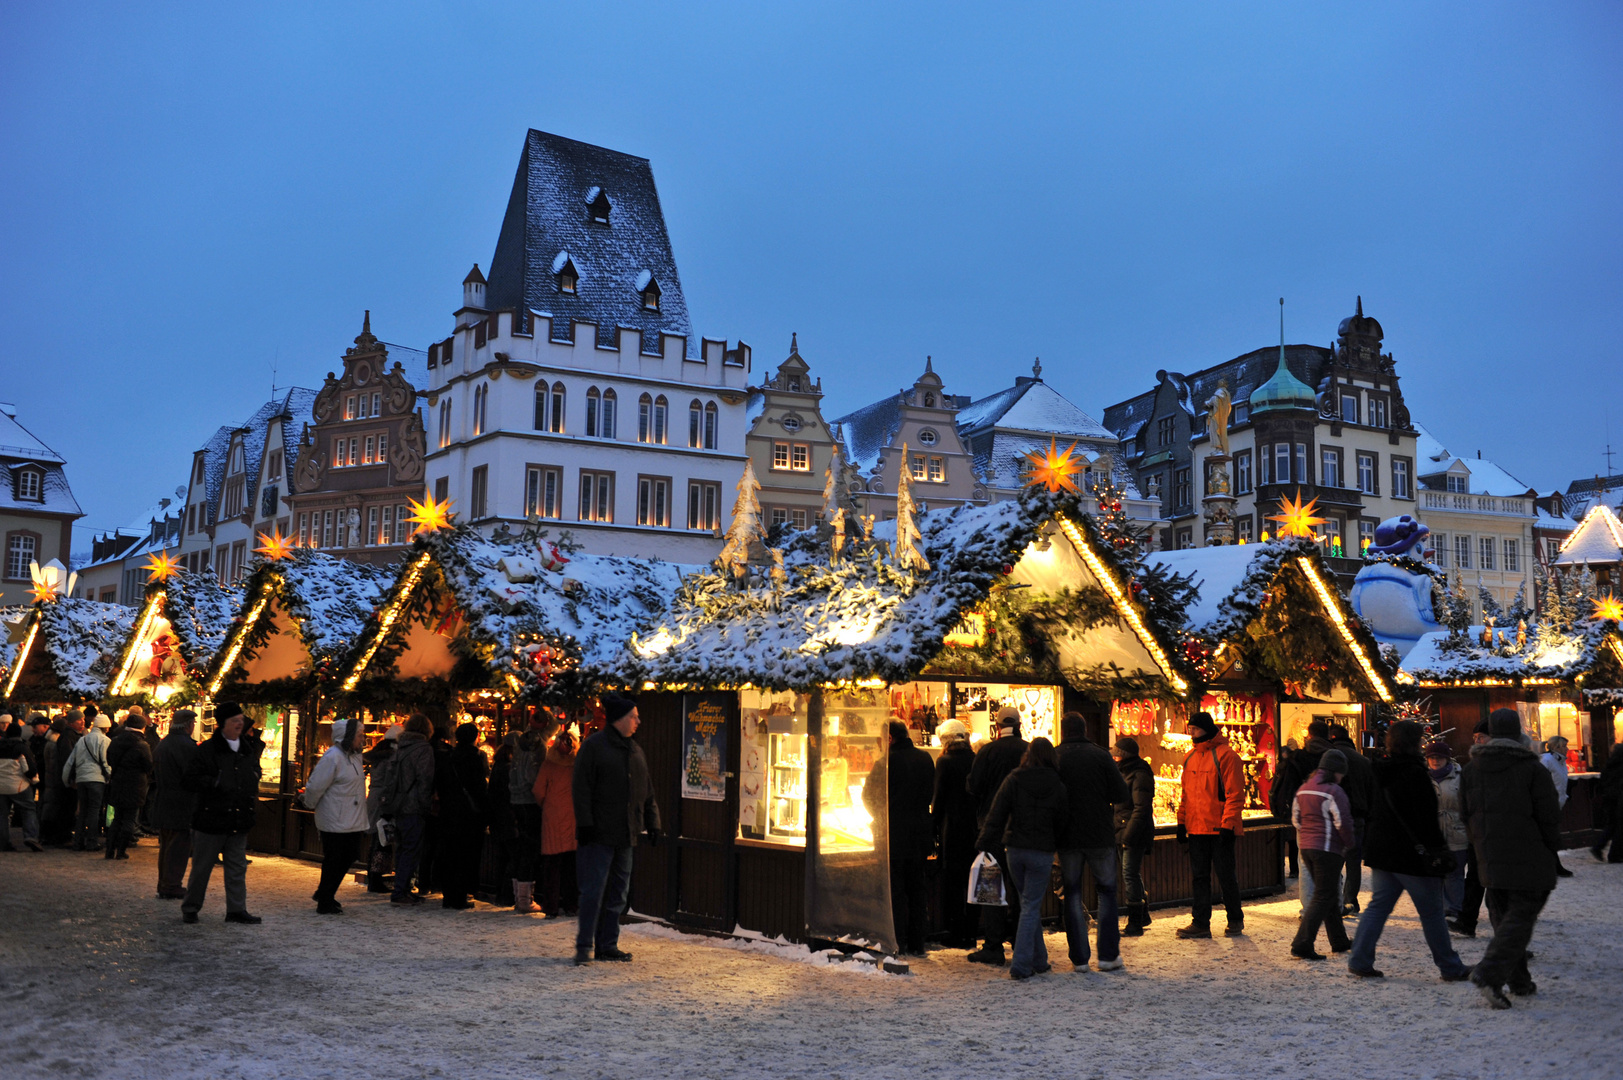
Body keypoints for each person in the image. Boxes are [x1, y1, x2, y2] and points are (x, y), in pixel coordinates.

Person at [1346, 720, 1472, 981]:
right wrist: (1438, 849)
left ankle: (1359, 959)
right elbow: (1425, 819)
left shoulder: (1377, 770)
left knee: (1377, 907)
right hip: (1413, 856)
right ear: (1415, 743)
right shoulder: (1415, 774)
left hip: (1382, 852)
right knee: (1432, 912)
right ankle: (1450, 966)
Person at [1461, 708, 1562, 1009]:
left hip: (1488, 853)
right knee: (1521, 915)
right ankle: (1490, 972)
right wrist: (1551, 848)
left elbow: (1465, 814)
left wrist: (1480, 842)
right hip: (1528, 852)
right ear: (1518, 732)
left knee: (1504, 917)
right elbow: (1549, 815)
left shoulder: (1471, 768)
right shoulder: (1531, 768)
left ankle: (1519, 981)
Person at [572, 694, 661, 965]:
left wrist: (653, 822)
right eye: (633, 716)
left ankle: (607, 944)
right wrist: (585, 823)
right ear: (620, 719)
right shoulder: (594, 747)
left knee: (618, 893)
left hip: (626, 833)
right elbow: (581, 788)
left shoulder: (634, 750)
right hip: (599, 832)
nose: (638, 721)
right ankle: (585, 945)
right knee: (594, 891)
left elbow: (646, 790)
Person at [975, 737, 1068, 980]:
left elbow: (997, 813)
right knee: (1030, 904)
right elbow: (1062, 820)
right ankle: (1022, 965)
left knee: (1029, 903)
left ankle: (1039, 959)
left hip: (1014, 849)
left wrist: (984, 841)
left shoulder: (1014, 778)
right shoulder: (1057, 783)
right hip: (1042, 852)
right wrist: (1056, 843)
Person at [1055, 712, 1128, 971]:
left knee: (1072, 893)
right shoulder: (1100, 755)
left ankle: (1080, 959)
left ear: (1063, 731)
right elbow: (1121, 792)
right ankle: (1108, 956)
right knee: (1107, 892)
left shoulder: (1055, 756)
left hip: (1068, 835)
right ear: (1085, 729)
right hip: (1099, 833)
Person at [181, 703, 264, 925]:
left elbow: (254, 770)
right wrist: (215, 782)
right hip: (211, 818)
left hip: (238, 818)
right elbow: (190, 779)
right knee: (202, 868)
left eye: (240, 719)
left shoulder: (247, 749)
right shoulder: (207, 750)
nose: (239, 724)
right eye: (234, 720)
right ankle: (191, 907)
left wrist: (255, 776)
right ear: (222, 725)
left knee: (237, 867)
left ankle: (236, 909)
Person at [863, 720, 936, 957]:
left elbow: (868, 796)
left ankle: (898, 940)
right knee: (917, 888)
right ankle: (918, 941)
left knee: (895, 890)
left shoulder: (886, 763)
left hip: (893, 834)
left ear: (890, 738)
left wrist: (882, 817)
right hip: (920, 833)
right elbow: (931, 793)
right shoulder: (925, 759)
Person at [965, 707, 1028, 964]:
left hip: (991, 828)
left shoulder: (988, 751)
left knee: (991, 887)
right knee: (1019, 888)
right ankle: (1020, 939)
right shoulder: (1028, 749)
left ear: (997, 724)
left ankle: (993, 945)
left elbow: (973, 786)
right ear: (1019, 723)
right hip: (1022, 829)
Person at [1175, 711, 1246, 939]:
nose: (1191, 732)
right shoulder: (1189, 757)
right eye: (1190, 728)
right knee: (1199, 877)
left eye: (1194, 728)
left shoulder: (1226, 756)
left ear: (1205, 728)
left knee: (1226, 876)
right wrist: (1181, 821)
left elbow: (1235, 794)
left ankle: (1235, 920)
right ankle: (1200, 923)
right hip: (1196, 828)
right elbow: (1185, 794)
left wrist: (1228, 824)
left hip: (1218, 827)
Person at [1290, 749, 1354, 959]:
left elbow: (1296, 820)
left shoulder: (1304, 789)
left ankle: (1339, 941)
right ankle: (1302, 943)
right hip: (1328, 848)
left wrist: (1307, 837)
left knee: (1328, 894)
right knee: (1323, 896)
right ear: (1336, 771)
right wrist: (1348, 844)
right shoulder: (1334, 791)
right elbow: (1343, 822)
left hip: (1307, 847)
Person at [303, 717, 370, 914]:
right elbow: (315, 786)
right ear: (348, 736)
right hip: (335, 818)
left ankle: (325, 893)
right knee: (334, 859)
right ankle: (325, 899)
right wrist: (309, 803)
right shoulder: (332, 757)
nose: (362, 738)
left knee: (348, 856)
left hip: (352, 818)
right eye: (359, 735)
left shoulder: (355, 756)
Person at [931, 719, 979, 949]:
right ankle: (972, 931)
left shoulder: (944, 762)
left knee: (953, 883)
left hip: (952, 830)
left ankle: (956, 931)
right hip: (974, 829)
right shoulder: (975, 760)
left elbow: (938, 800)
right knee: (973, 882)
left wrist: (933, 827)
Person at [380, 714, 435, 906]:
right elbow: (425, 779)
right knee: (411, 849)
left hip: (398, 804)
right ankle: (400, 892)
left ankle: (401, 889)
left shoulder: (400, 748)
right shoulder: (423, 749)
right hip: (413, 806)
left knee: (403, 849)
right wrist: (426, 804)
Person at [1449, 718, 1495, 937]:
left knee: (1496, 884)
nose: (1477, 741)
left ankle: (1508, 935)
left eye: (1481, 737)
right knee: (1474, 878)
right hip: (1477, 833)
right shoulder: (1472, 767)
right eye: (1475, 738)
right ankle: (1467, 921)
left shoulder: (1496, 765)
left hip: (1495, 832)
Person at [436, 722, 489, 910]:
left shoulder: (448, 757)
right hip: (469, 814)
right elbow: (479, 788)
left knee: (450, 855)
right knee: (466, 856)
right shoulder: (475, 758)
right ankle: (460, 895)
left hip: (449, 812)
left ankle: (449, 895)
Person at [508, 711, 553, 913]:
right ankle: (525, 900)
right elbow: (534, 775)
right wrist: (541, 795)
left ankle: (519, 896)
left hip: (516, 798)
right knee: (530, 849)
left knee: (521, 847)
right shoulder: (539, 745)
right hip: (529, 800)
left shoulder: (520, 740)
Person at [151, 709, 199, 899]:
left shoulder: (164, 744)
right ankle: (171, 885)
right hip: (181, 803)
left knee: (167, 846)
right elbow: (191, 776)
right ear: (188, 725)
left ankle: (164, 883)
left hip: (164, 801)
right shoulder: (186, 747)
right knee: (178, 847)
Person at [1328, 723, 1374, 915]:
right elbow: (1371, 791)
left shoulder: (1331, 758)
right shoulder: (1363, 761)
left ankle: (1334, 901)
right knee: (1353, 862)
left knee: (1334, 861)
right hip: (1358, 816)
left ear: (1332, 738)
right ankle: (1350, 900)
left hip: (1334, 816)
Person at [533, 728, 578, 918]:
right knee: (571, 866)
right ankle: (571, 906)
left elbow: (538, 791)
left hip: (552, 818)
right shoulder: (576, 766)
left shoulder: (548, 765)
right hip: (573, 817)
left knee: (552, 866)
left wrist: (546, 805)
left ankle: (551, 907)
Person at [1113, 737, 1155, 936]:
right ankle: (1142, 915)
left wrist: (1128, 834)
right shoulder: (1126, 772)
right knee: (1131, 873)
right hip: (1124, 829)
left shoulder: (1139, 774)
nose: (1114, 756)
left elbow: (1141, 808)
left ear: (1123, 755)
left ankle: (1135, 922)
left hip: (1133, 831)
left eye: (1117, 753)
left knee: (1129, 874)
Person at [1426, 739, 1470, 920]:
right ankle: (1439, 906)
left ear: (1447, 759)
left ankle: (1454, 907)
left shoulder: (1460, 776)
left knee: (1455, 872)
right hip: (1433, 833)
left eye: (1440, 757)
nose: (1436, 761)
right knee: (1435, 873)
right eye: (1432, 757)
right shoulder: (1423, 777)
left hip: (1456, 830)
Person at [104, 710, 154, 859]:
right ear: (142, 727)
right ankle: (121, 851)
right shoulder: (142, 744)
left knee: (117, 818)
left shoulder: (116, 741)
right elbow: (148, 765)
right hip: (135, 785)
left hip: (118, 783)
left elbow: (109, 760)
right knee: (129, 819)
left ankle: (109, 850)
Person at [63, 713, 113, 852]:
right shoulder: (105, 741)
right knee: (94, 811)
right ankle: (92, 842)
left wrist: (66, 780)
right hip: (97, 780)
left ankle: (78, 842)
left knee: (82, 811)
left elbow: (70, 762)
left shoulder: (82, 740)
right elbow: (105, 761)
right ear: (106, 727)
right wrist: (109, 776)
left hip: (81, 779)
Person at [363, 724, 401, 892]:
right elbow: (390, 781)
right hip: (383, 800)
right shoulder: (391, 757)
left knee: (377, 839)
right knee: (383, 840)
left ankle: (373, 876)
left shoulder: (378, 755)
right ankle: (376, 878)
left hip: (374, 797)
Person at [488, 734, 518, 908]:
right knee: (512, 857)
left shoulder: (498, 766)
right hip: (508, 818)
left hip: (498, 819)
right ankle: (506, 894)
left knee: (502, 857)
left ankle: (500, 893)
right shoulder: (508, 769)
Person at [41, 712, 81, 846]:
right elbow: (64, 761)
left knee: (54, 808)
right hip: (58, 780)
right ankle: (58, 836)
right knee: (61, 809)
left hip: (53, 780)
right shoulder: (61, 741)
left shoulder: (53, 741)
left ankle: (49, 835)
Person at [0, 725, 42, 851]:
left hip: (0, 786)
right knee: (28, 810)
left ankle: (3, 842)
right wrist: (33, 779)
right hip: (19, 785)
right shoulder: (22, 748)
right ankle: (31, 836)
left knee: (2, 814)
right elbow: (29, 769)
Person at [1538, 737, 1574, 879]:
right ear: (1556, 747)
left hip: (1555, 803)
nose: (1567, 748)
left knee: (1549, 836)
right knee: (1549, 836)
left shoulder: (1560, 760)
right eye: (1564, 746)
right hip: (1547, 804)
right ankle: (1554, 866)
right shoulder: (1546, 760)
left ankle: (1553, 866)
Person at [1592, 741, 1623, 863]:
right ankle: (1614, 854)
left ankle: (1599, 847)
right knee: (1618, 827)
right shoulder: (1620, 767)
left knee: (1613, 825)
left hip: (1609, 799)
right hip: (1618, 799)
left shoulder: (1609, 766)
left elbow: (1603, 783)